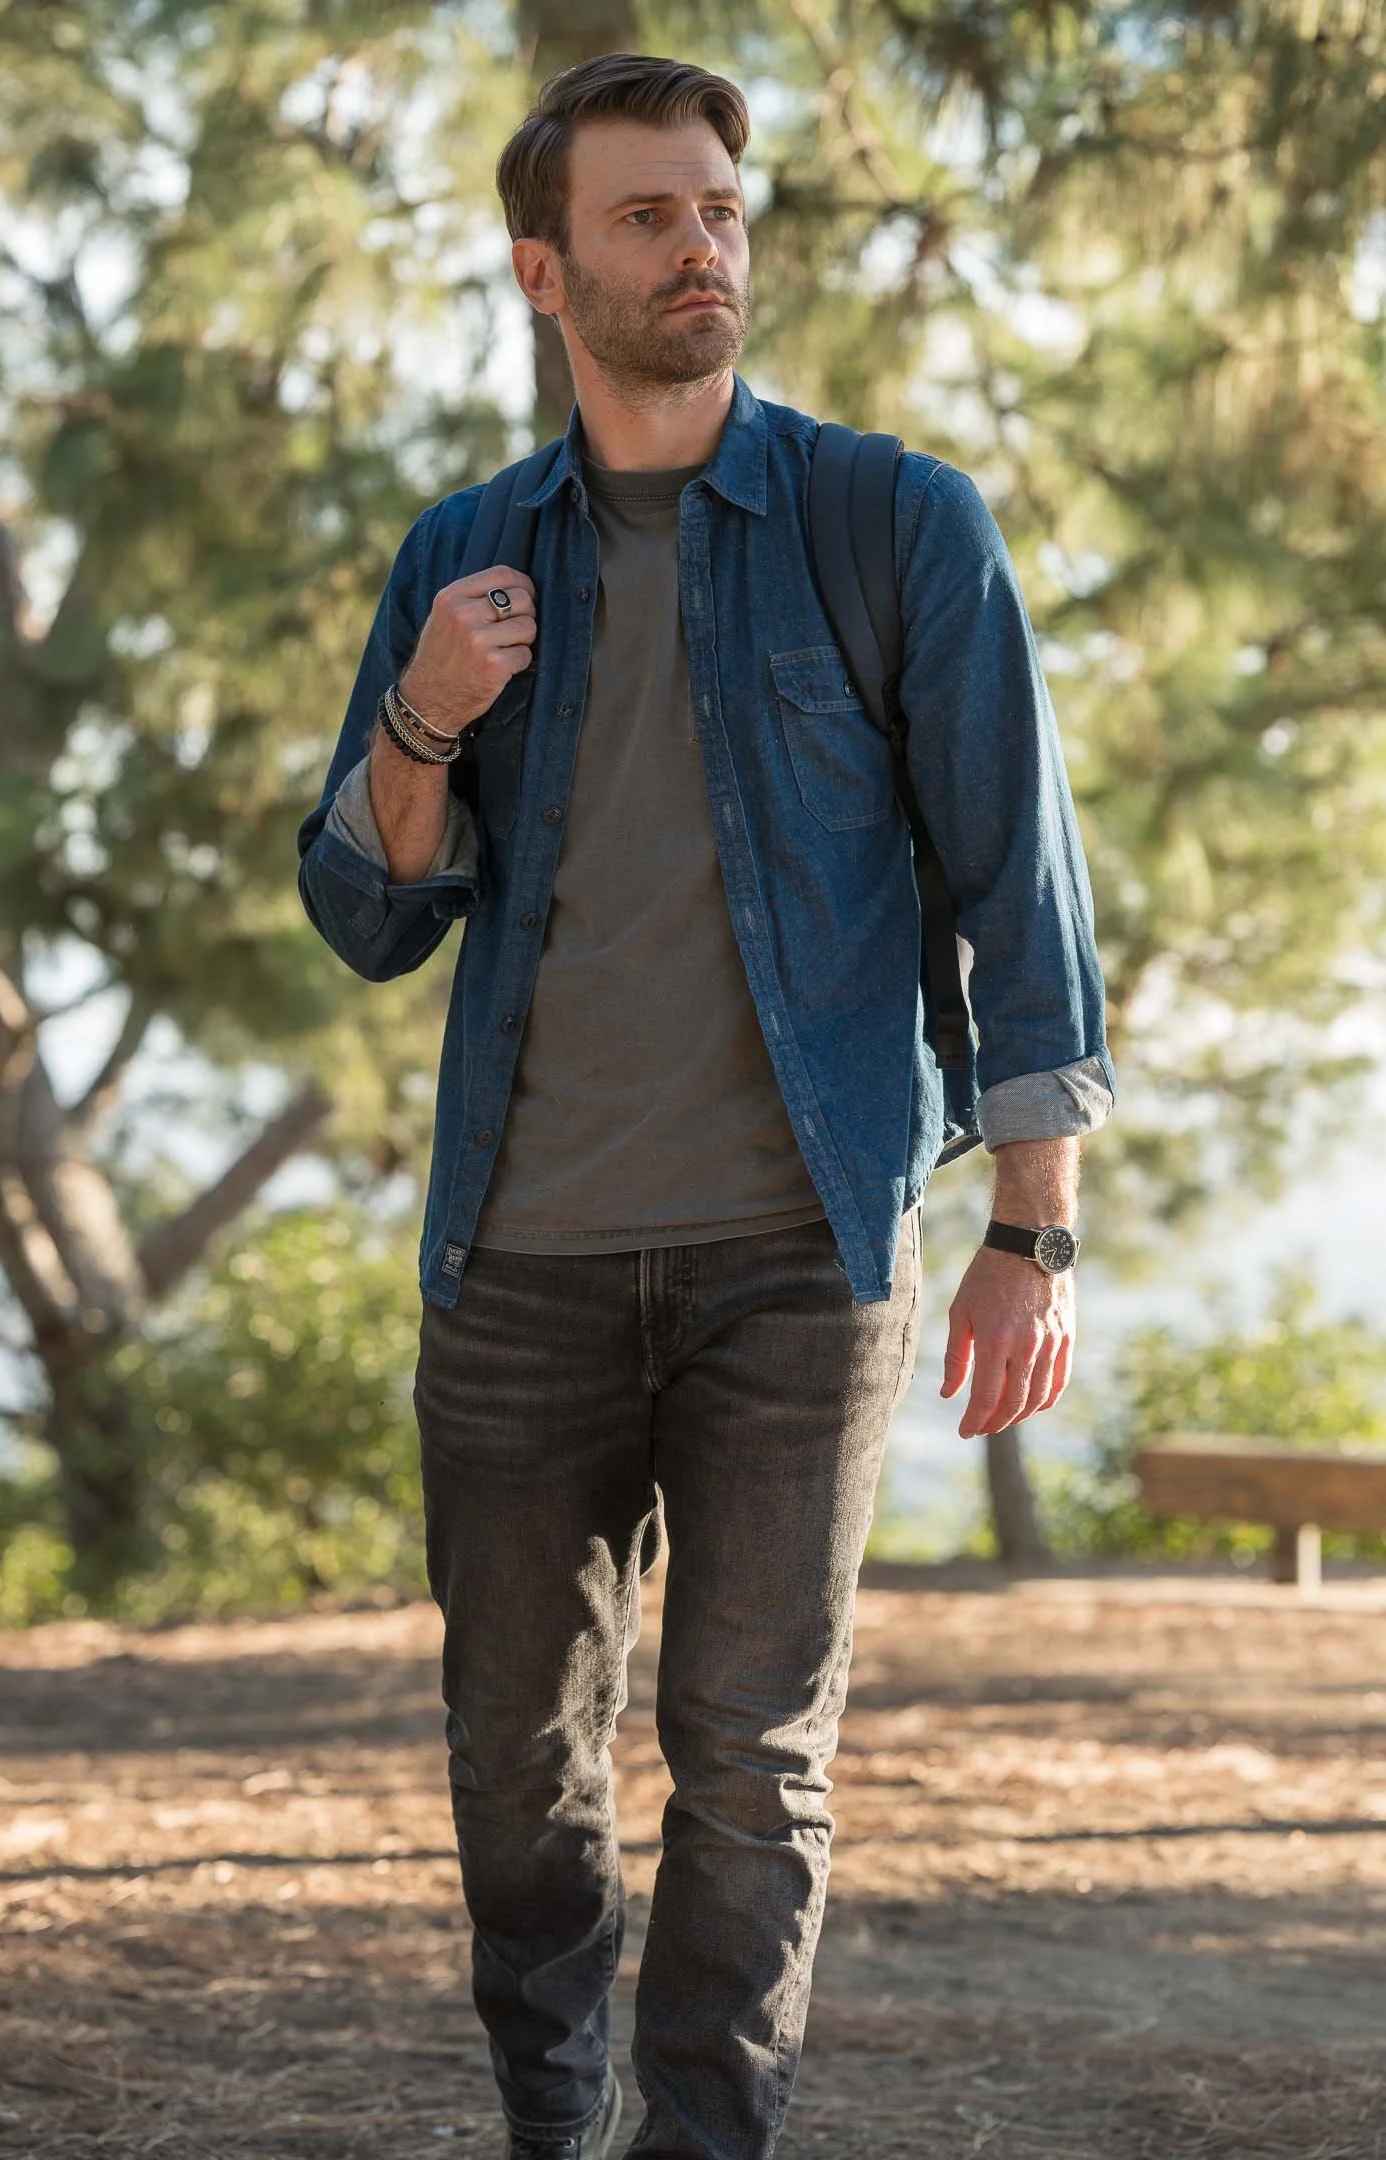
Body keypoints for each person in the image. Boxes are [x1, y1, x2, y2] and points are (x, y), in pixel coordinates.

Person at [297, 51, 1113, 2160]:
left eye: (723, 212)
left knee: (753, 1761)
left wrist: (1034, 1225)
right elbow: (368, 908)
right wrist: (424, 712)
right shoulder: (465, 553)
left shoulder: (891, 522)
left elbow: (1018, 877)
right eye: (649, 219)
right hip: (521, 1264)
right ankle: (550, 2128)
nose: (702, 251)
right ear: (543, 268)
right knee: (514, 1766)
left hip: (795, 1256)